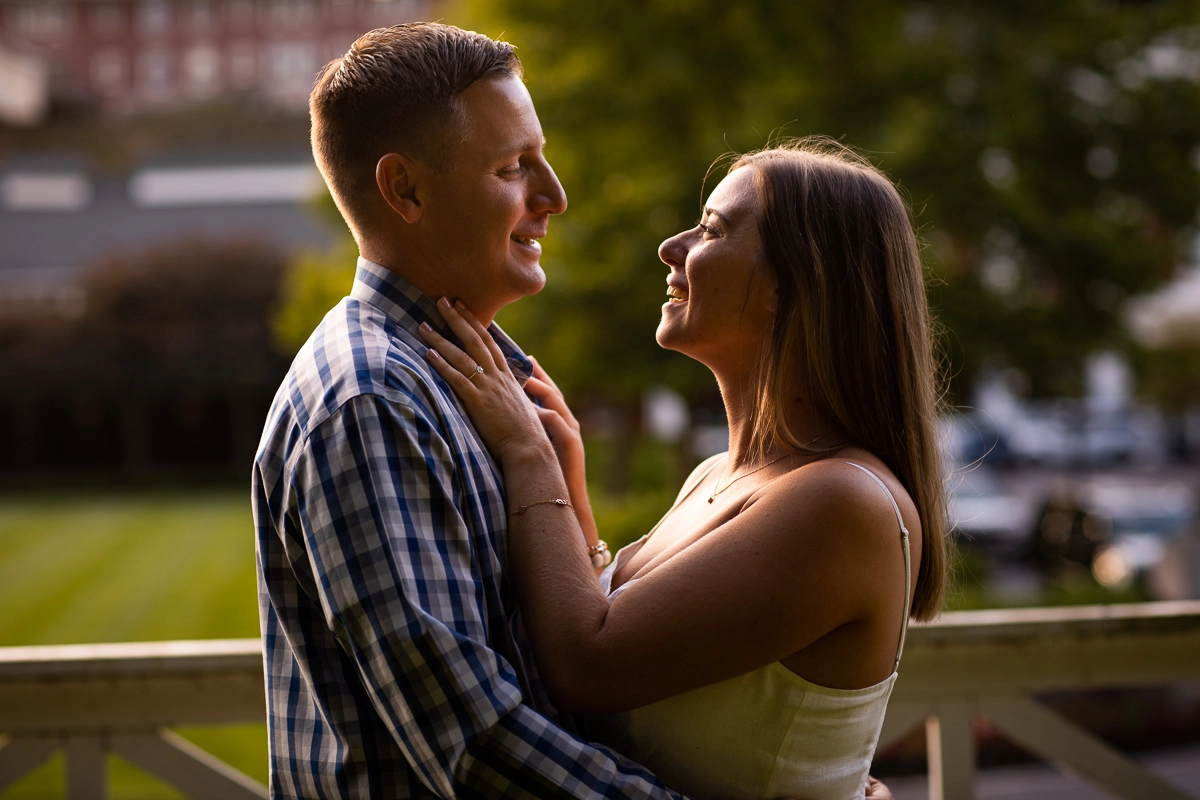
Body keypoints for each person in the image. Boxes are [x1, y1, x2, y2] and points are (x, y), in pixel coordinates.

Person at [253, 20, 894, 800]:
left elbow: (583, 680)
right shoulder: (374, 402)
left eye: (542, 159)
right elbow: (480, 748)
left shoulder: (483, 383)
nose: (555, 196)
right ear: (406, 190)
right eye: (513, 168)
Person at [419, 139, 947, 800]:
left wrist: (530, 457)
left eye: (713, 230)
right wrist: (571, 483)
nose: (672, 247)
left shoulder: (843, 504)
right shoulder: (714, 475)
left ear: (792, 285)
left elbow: (587, 665)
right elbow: (623, 637)